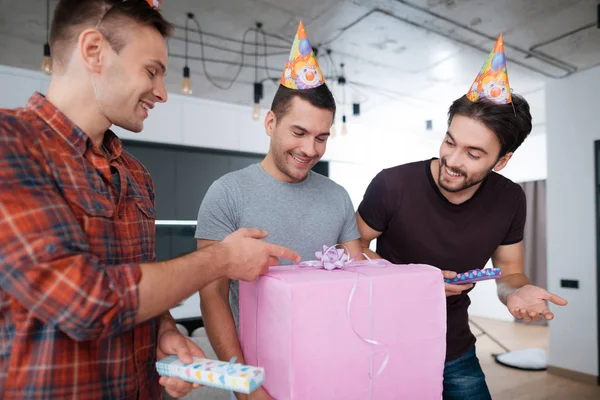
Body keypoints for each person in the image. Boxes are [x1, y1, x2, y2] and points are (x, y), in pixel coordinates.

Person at [0, 1, 299, 399]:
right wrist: (222, 259)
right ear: (93, 50)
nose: (161, 93)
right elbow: (89, 302)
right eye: (151, 71)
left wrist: (165, 330)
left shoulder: (136, 175)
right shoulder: (12, 143)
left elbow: (137, 279)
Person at [356, 35, 567, 400]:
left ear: (502, 160)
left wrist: (516, 291)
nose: (452, 161)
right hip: (386, 342)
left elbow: (510, 272)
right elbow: (351, 248)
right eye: (450, 142)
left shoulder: (510, 199)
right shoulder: (393, 184)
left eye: (473, 153)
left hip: (455, 347)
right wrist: (417, 280)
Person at [195, 21, 361, 400]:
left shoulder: (338, 196)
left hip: (334, 360)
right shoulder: (227, 194)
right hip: (259, 369)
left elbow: (358, 275)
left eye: (321, 137)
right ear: (271, 123)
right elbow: (213, 296)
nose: (310, 149)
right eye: (298, 132)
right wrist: (243, 385)